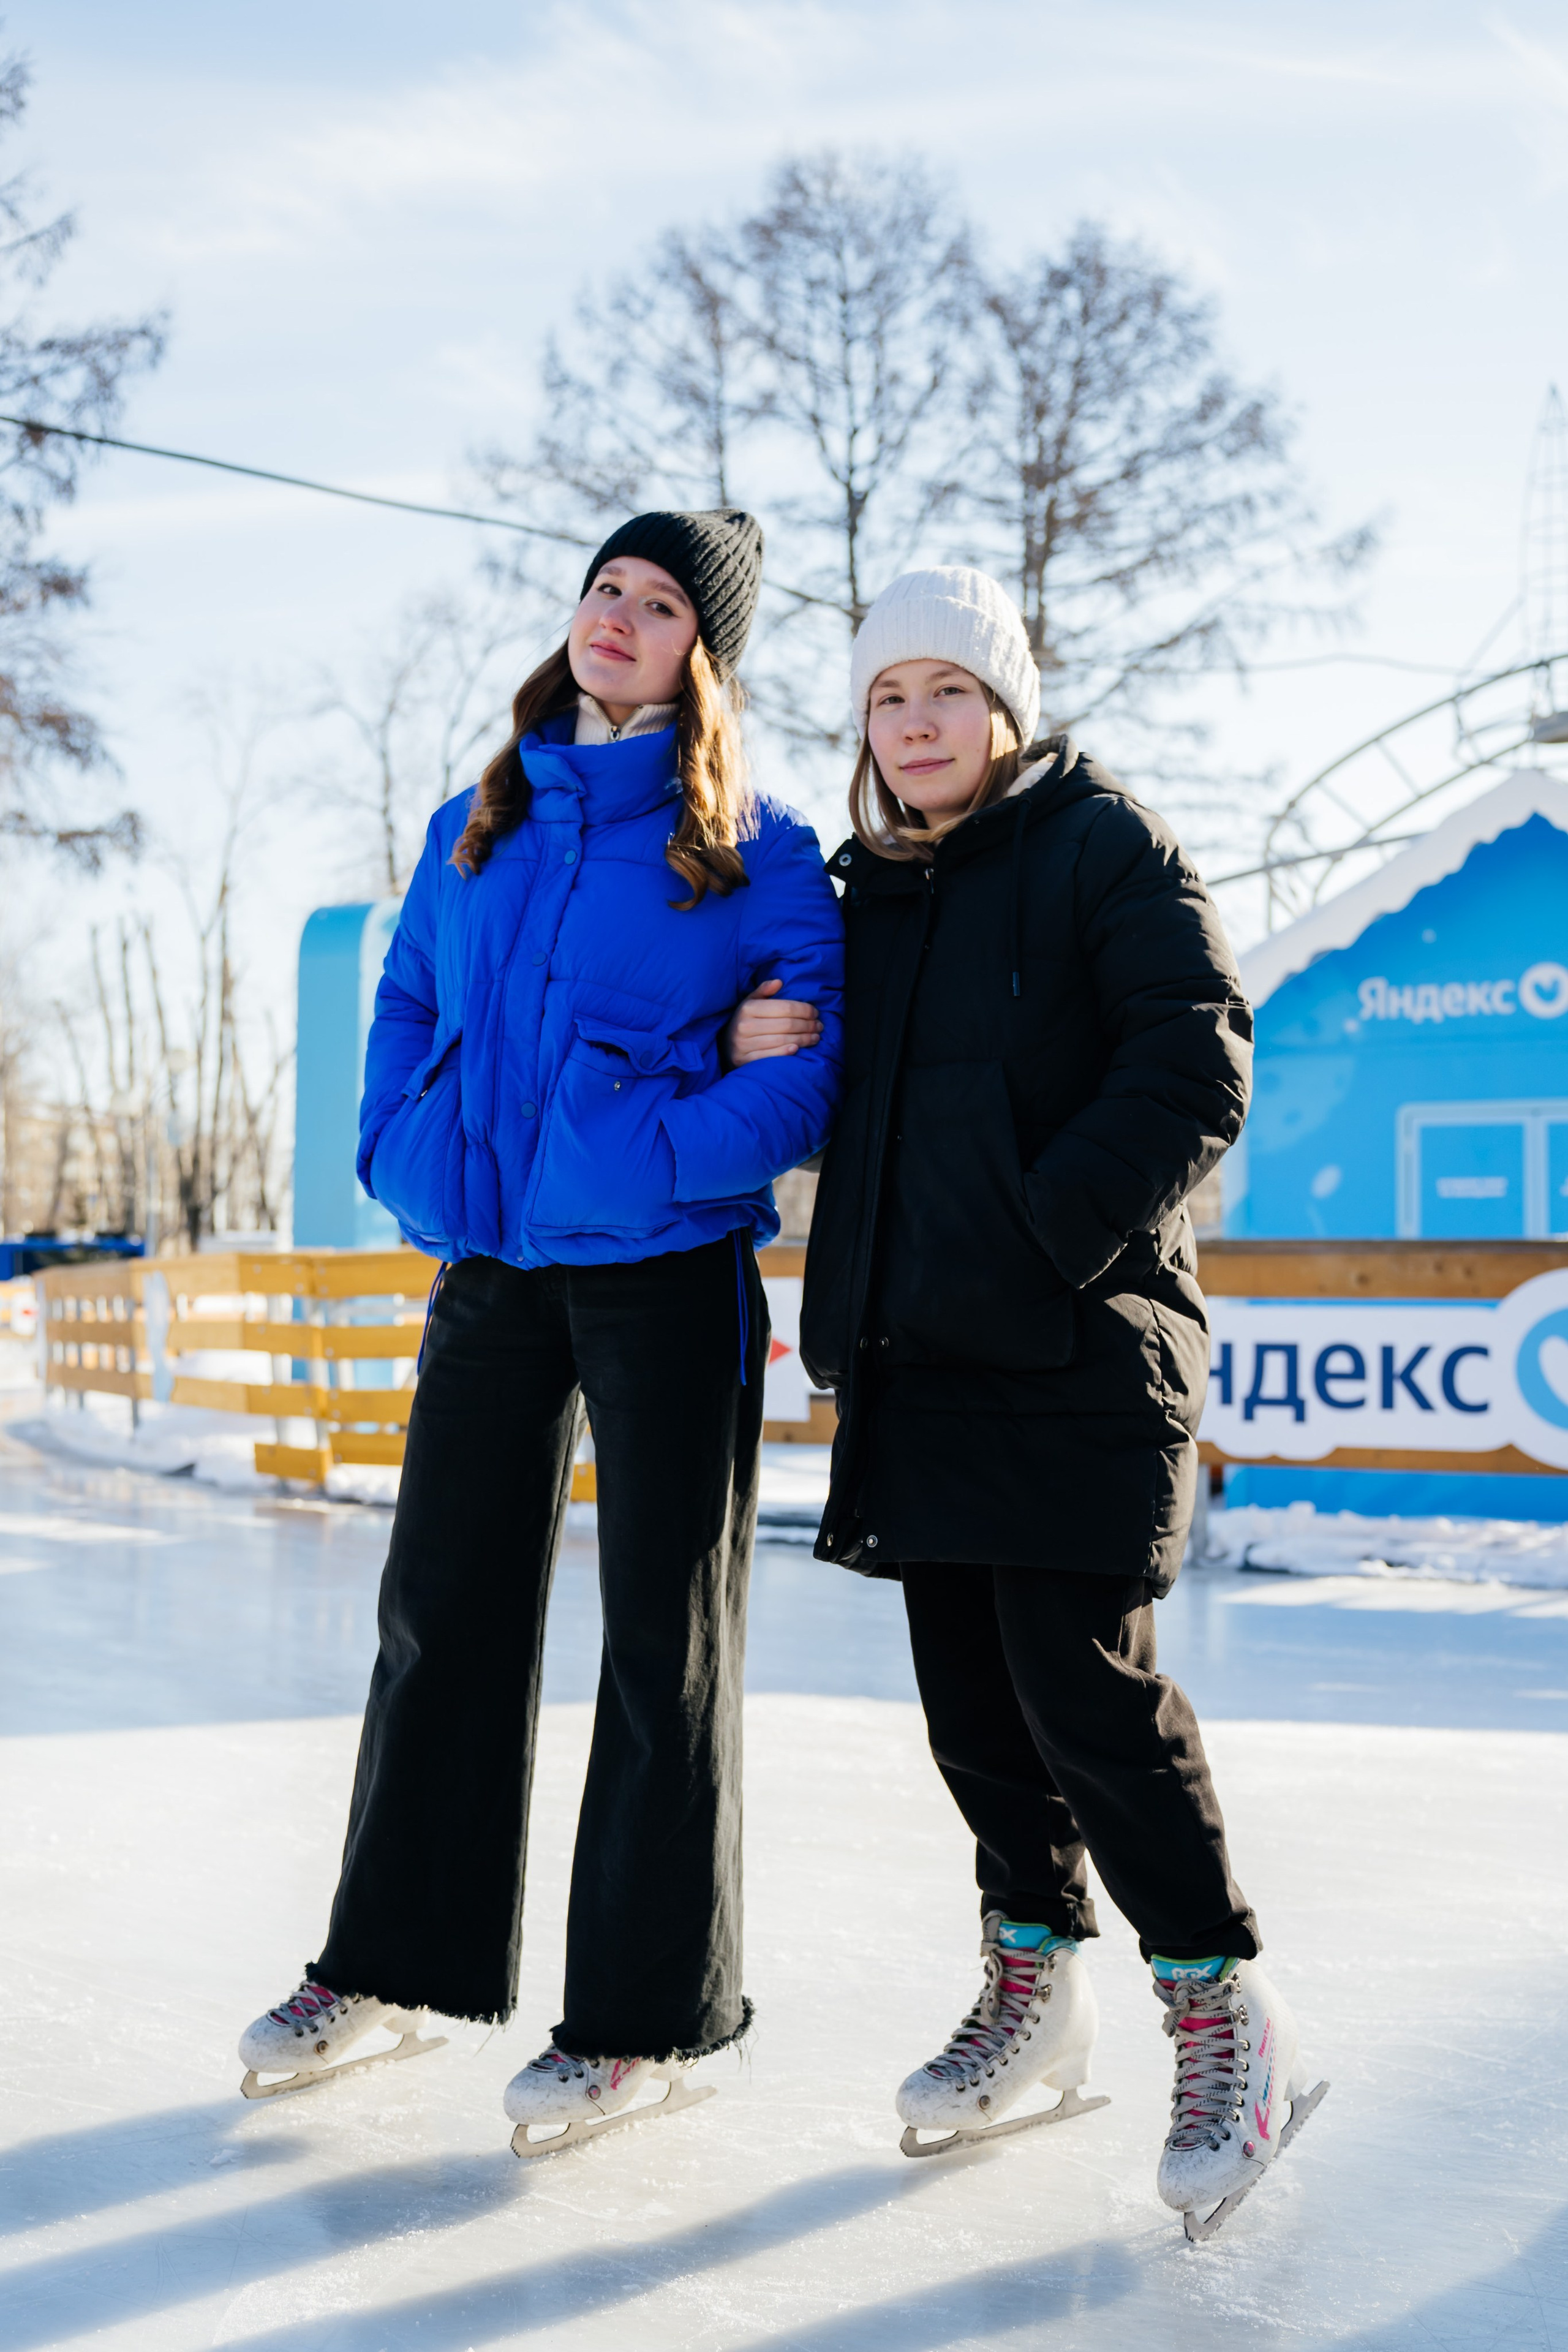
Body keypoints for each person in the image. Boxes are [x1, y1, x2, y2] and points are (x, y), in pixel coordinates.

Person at [239, 509, 844, 2148]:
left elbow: (804, 1071)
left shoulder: (759, 844)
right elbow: (411, 1004)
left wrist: (652, 1149)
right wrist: (405, 1149)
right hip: (492, 1264)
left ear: (703, 654)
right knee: (440, 1611)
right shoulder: (481, 814)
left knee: (666, 1639)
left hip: (666, 1266)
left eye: (659, 606)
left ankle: (640, 2019)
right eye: (605, 590)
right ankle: (387, 1963)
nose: (619, 618)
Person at [795, 566, 1325, 2237]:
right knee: (975, 1720)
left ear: (1008, 712)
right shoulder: (866, 892)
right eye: (890, 699)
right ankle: (1037, 1990)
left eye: (949, 691)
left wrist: (1046, 1233)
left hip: (1082, 1356)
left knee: (1082, 1696)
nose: (918, 722)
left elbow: (1196, 1052)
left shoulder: (1108, 843)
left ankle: (1227, 2012)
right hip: (922, 1367)